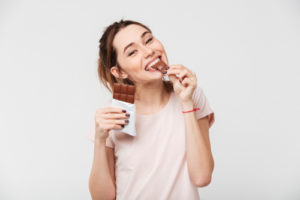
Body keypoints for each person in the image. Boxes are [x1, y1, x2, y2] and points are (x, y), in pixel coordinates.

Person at [88, 19, 215, 200]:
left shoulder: (191, 95)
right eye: (132, 52)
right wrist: (100, 141)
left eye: (148, 40)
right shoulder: (111, 113)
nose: (149, 51)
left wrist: (186, 103)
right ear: (120, 72)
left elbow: (202, 177)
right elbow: (102, 198)